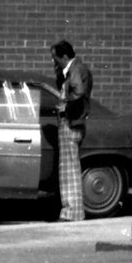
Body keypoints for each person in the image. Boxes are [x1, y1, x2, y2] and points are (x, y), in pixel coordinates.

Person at [43, 40, 93, 221]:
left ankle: (71, 213)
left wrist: (65, 105)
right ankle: (73, 212)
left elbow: (78, 91)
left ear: (64, 56)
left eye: (55, 59)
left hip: (70, 123)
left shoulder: (75, 70)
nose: (54, 63)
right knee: (70, 169)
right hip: (74, 123)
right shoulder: (75, 69)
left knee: (68, 170)